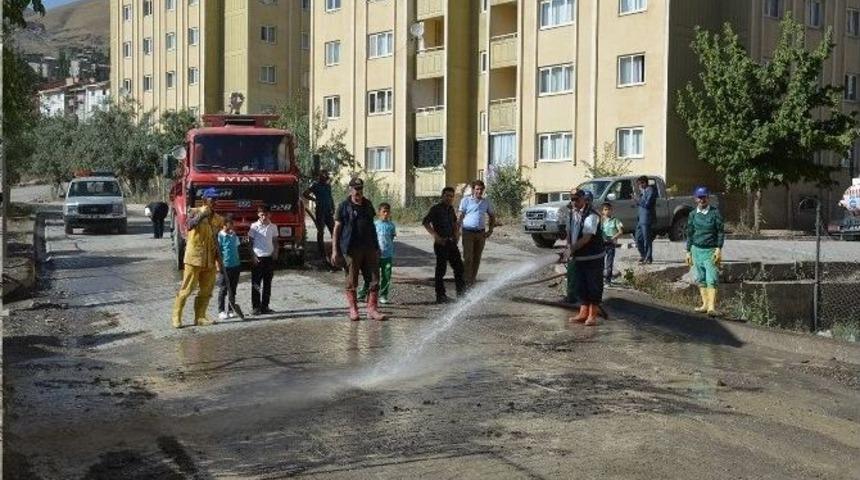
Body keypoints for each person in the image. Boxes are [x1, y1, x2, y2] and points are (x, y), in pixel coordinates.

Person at [331, 178, 386, 321]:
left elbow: (372, 226)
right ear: (350, 190)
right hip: (351, 250)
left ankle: (372, 309)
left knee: (374, 279)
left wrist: (377, 247)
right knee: (351, 281)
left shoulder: (367, 204)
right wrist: (335, 251)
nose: (358, 192)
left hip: (369, 248)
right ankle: (353, 309)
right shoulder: (343, 206)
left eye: (360, 189)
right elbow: (336, 229)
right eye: (356, 189)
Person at [171, 188, 224, 329]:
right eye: (212, 199)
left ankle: (200, 317)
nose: (215, 202)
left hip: (210, 260)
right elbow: (188, 225)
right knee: (187, 289)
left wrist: (220, 258)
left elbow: (218, 239)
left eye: (216, 200)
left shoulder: (219, 219)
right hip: (194, 258)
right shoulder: (194, 211)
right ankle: (176, 317)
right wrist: (201, 215)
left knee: (207, 290)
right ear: (205, 200)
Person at [567, 189, 606, 326]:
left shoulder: (592, 215)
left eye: (576, 199)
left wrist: (572, 249)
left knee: (593, 286)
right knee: (580, 285)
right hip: (579, 258)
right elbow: (571, 233)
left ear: (584, 199)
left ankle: (592, 315)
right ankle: (583, 313)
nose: (574, 202)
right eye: (572, 199)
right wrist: (568, 247)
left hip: (593, 257)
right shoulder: (572, 213)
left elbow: (586, 238)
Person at [685, 186, 724, 316]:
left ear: (708, 198)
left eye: (704, 197)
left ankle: (712, 307)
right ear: (695, 199)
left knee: (711, 278)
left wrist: (718, 248)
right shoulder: (692, 214)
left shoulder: (714, 213)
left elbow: (720, 232)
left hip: (710, 250)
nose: (702, 200)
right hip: (696, 250)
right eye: (699, 197)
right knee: (700, 278)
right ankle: (705, 304)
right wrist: (688, 251)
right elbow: (689, 233)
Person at [423, 187, 465, 304]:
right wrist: (436, 236)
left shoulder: (451, 209)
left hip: (451, 242)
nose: (449, 198)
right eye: (447, 195)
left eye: (451, 196)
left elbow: (454, 223)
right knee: (441, 270)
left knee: (459, 268)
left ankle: (462, 295)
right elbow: (426, 222)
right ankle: (440, 295)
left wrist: (457, 234)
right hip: (441, 243)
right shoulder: (436, 209)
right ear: (442, 196)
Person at [458, 180, 496, 287]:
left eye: (481, 189)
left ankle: (472, 280)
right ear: (473, 189)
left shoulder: (486, 202)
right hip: (468, 232)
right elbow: (460, 215)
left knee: (477, 258)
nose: (479, 191)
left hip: (481, 234)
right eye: (477, 189)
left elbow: (492, 216)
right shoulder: (466, 200)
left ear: (483, 190)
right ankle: (465, 280)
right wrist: (457, 229)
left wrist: (490, 230)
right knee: (468, 257)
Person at [358, 202, 396, 304]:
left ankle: (383, 295)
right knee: (371, 276)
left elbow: (391, 237)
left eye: (387, 212)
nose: (386, 214)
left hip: (387, 256)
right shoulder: (374, 224)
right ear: (379, 213)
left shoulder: (391, 226)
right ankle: (363, 293)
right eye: (383, 211)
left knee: (386, 276)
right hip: (375, 255)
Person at [249, 204, 279, 315]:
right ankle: (256, 307)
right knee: (256, 284)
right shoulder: (254, 226)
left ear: (269, 215)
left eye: (266, 214)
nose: (264, 217)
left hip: (269, 258)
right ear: (258, 214)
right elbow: (250, 243)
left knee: (267, 283)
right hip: (258, 258)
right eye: (261, 214)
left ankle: (265, 306)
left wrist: (276, 252)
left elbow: (275, 241)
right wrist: (252, 256)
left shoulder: (273, 227)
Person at [303, 170, 335, 263]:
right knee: (320, 231)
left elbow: (330, 197)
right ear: (321, 177)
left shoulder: (328, 186)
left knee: (333, 230)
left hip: (328, 211)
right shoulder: (315, 185)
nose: (325, 179)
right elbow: (305, 194)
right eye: (324, 177)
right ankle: (321, 252)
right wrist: (314, 199)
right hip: (320, 211)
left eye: (326, 177)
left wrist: (333, 207)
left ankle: (335, 249)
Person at [217, 216, 242, 320]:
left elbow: (236, 248)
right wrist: (218, 265)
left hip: (235, 265)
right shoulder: (220, 236)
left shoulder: (233, 235)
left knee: (233, 289)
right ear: (224, 225)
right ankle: (221, 311)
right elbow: (217, 252)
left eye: (232, 224)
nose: (231, 226)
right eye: (229, 224)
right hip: (225, 266)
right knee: (223, 289)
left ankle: (231, 309)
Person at [634, 175, 657, 264]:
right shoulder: (643, 191)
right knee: (638, 238)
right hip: (640, 219)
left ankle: (648, 257)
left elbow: (647, 204)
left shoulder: (651, 191)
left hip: (647, 218)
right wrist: (637, 199)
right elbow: (641, 203)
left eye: (640, 184)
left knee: (647, 239)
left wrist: (638, 199)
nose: (639, 186)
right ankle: (643, 255)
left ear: (644, 183)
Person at [601, 202, 624, 285]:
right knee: (600, 263)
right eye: (605, 209)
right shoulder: (601, 220)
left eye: (609, 209)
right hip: (602, 244)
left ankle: (608, 280)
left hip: (611, 244)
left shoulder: (615, 220)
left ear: (612, 210)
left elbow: (620, 231)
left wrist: (612, 238)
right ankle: (600, 279)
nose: (607, 211)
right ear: (602, 211)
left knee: (609, 263)